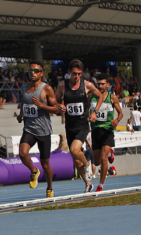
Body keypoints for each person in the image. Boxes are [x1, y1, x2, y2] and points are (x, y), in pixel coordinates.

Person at [56, 59, 104, 193]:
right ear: (69, 72)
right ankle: (88, 184)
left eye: (79, 74)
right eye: (74, 74)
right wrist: (59, 107)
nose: (76, 77)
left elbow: (100, 96)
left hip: (82, 125)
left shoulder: (87, 85)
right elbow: (55, 101)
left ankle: (88, 165)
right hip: (69, 126)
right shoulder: (62, 86)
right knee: (76, 161)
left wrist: (95, 112)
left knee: (74, 150)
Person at [16, 61, 58, 198]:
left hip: (44, 131)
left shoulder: (46, 89)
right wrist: (21, 114)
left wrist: (41, 104)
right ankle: (34, 171)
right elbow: (24, 101)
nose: (32, 73)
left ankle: (50, 187)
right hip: (29, 128)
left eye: (36, 71)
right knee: (22, 153)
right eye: (31, 70)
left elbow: (56, 109)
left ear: (41, 73)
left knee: (45, 164)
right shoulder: (24, 88)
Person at [89, 73, 123, 192]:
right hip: (95, 130)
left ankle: (100, 185)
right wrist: (90, 116)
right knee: (97, 161)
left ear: (108, 84)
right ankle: (110, 153)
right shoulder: (92, 96)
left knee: (103, 159)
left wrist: (117, 120)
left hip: (107, 130)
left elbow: (121, 113)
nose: (100, 86)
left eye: (103, 84)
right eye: (98, 84)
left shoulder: (112, 98)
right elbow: (87, 111)